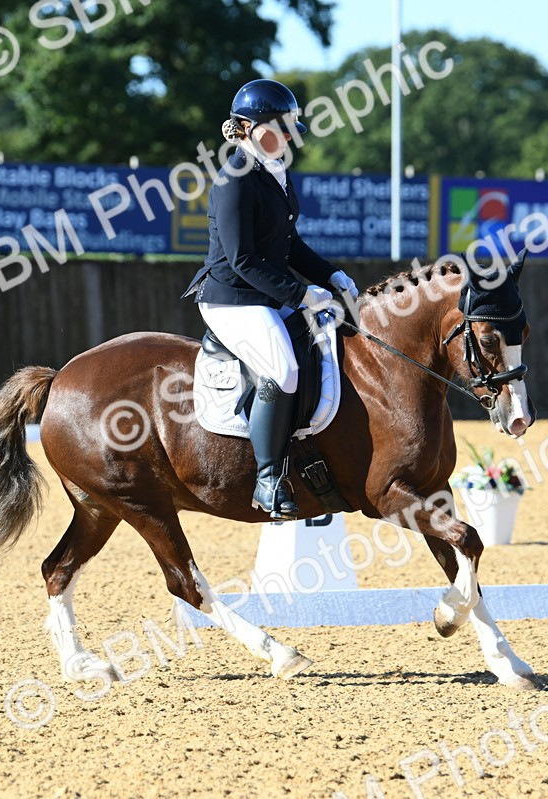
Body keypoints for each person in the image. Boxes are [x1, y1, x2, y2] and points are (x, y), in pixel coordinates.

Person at [182, 78, 359, 520]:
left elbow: (290, 244)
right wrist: (301, 293)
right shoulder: (235, 181)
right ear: (245, 127)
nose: (285, 134)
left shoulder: (276, 174)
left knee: (324, 345)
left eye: (290, 125)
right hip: (232, 298)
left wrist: (331, 274)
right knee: (282, 370)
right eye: (276, 126)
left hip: (266, 293)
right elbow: (242, 259)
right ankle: (267, 479)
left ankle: (312, 467)